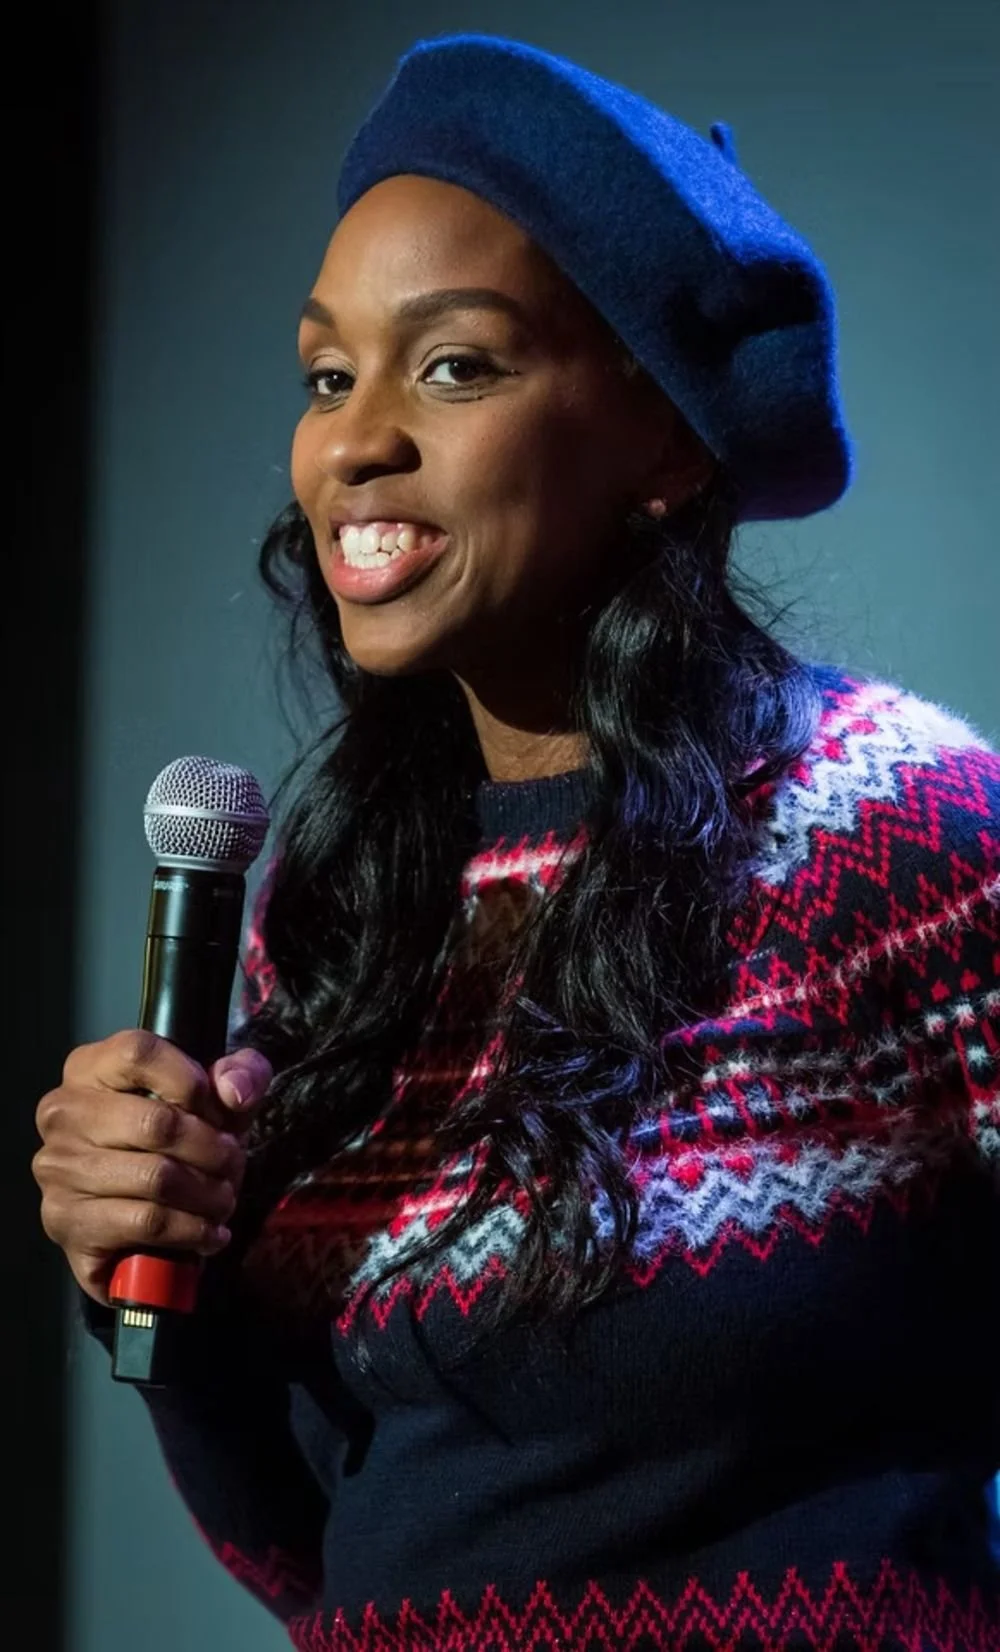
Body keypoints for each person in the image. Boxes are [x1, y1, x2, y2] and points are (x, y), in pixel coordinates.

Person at [33, 32, 999, 1652]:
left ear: (669, 444)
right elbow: (325, 1549)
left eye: (456, 367)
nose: (355, 444)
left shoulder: (896, 835)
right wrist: (152, 1265)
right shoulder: (332, 912)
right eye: (328, 376)